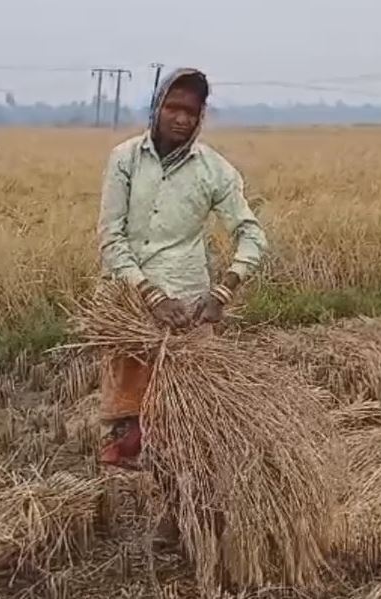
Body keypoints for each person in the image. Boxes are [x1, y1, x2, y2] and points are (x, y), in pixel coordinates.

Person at [95, 67, 268, 472]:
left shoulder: (214, 171)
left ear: (201, 115)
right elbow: (111, 238)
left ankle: (178, 520)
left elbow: (252, 235)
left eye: (192, 110)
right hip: (129, 309)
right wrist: (151, 296)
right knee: (130, 436)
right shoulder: (124, 161)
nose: (182, 118)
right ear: (156, 108)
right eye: (173, 107)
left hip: (187, 319)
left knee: (187, 434)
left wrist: (222, 291)